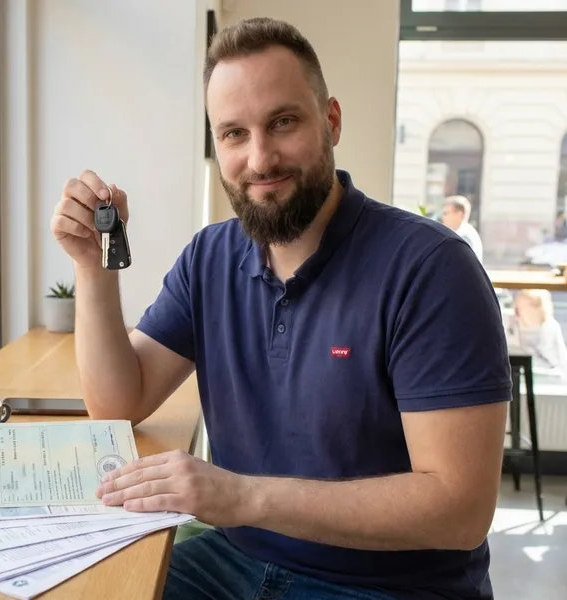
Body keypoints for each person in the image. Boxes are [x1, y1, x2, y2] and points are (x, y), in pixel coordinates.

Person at [51, 17, 511, 600]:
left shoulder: (430, 270)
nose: (260, 158)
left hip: (385, 587)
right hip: (235, 561)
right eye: (234, 134)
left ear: (332, 121)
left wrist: (240, 496)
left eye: (283, 123)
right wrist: (93, 267)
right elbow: (118, 399)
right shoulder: (210, 257)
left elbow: (459, 509)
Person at [512, 289, 567, 382]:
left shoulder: (550, 327)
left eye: (521, 306)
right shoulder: (513, 325)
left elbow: (559, 360)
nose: (517, 310)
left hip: (546, 377)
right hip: (519, 376)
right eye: (517, 307)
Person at [441, 195, 484, 264]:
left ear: (459, 214)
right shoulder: (463, 232)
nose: (443, 217)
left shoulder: (464, 237)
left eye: (446, 213)